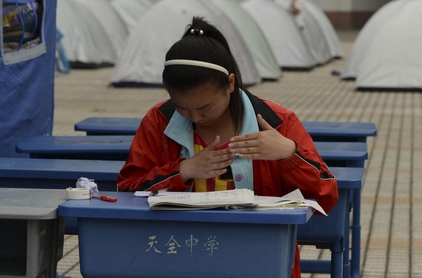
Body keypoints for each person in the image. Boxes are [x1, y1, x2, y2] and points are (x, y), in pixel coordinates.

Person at [117, 16, 338, 278]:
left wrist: (289, 153)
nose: (195, 118)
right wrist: (183, 170)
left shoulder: (276, 121)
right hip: (178, 258)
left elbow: (326, 195)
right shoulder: (159, 121)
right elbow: (126, 191)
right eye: (181, 106)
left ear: (230, 84)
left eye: (205, 108)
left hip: (261, 258)